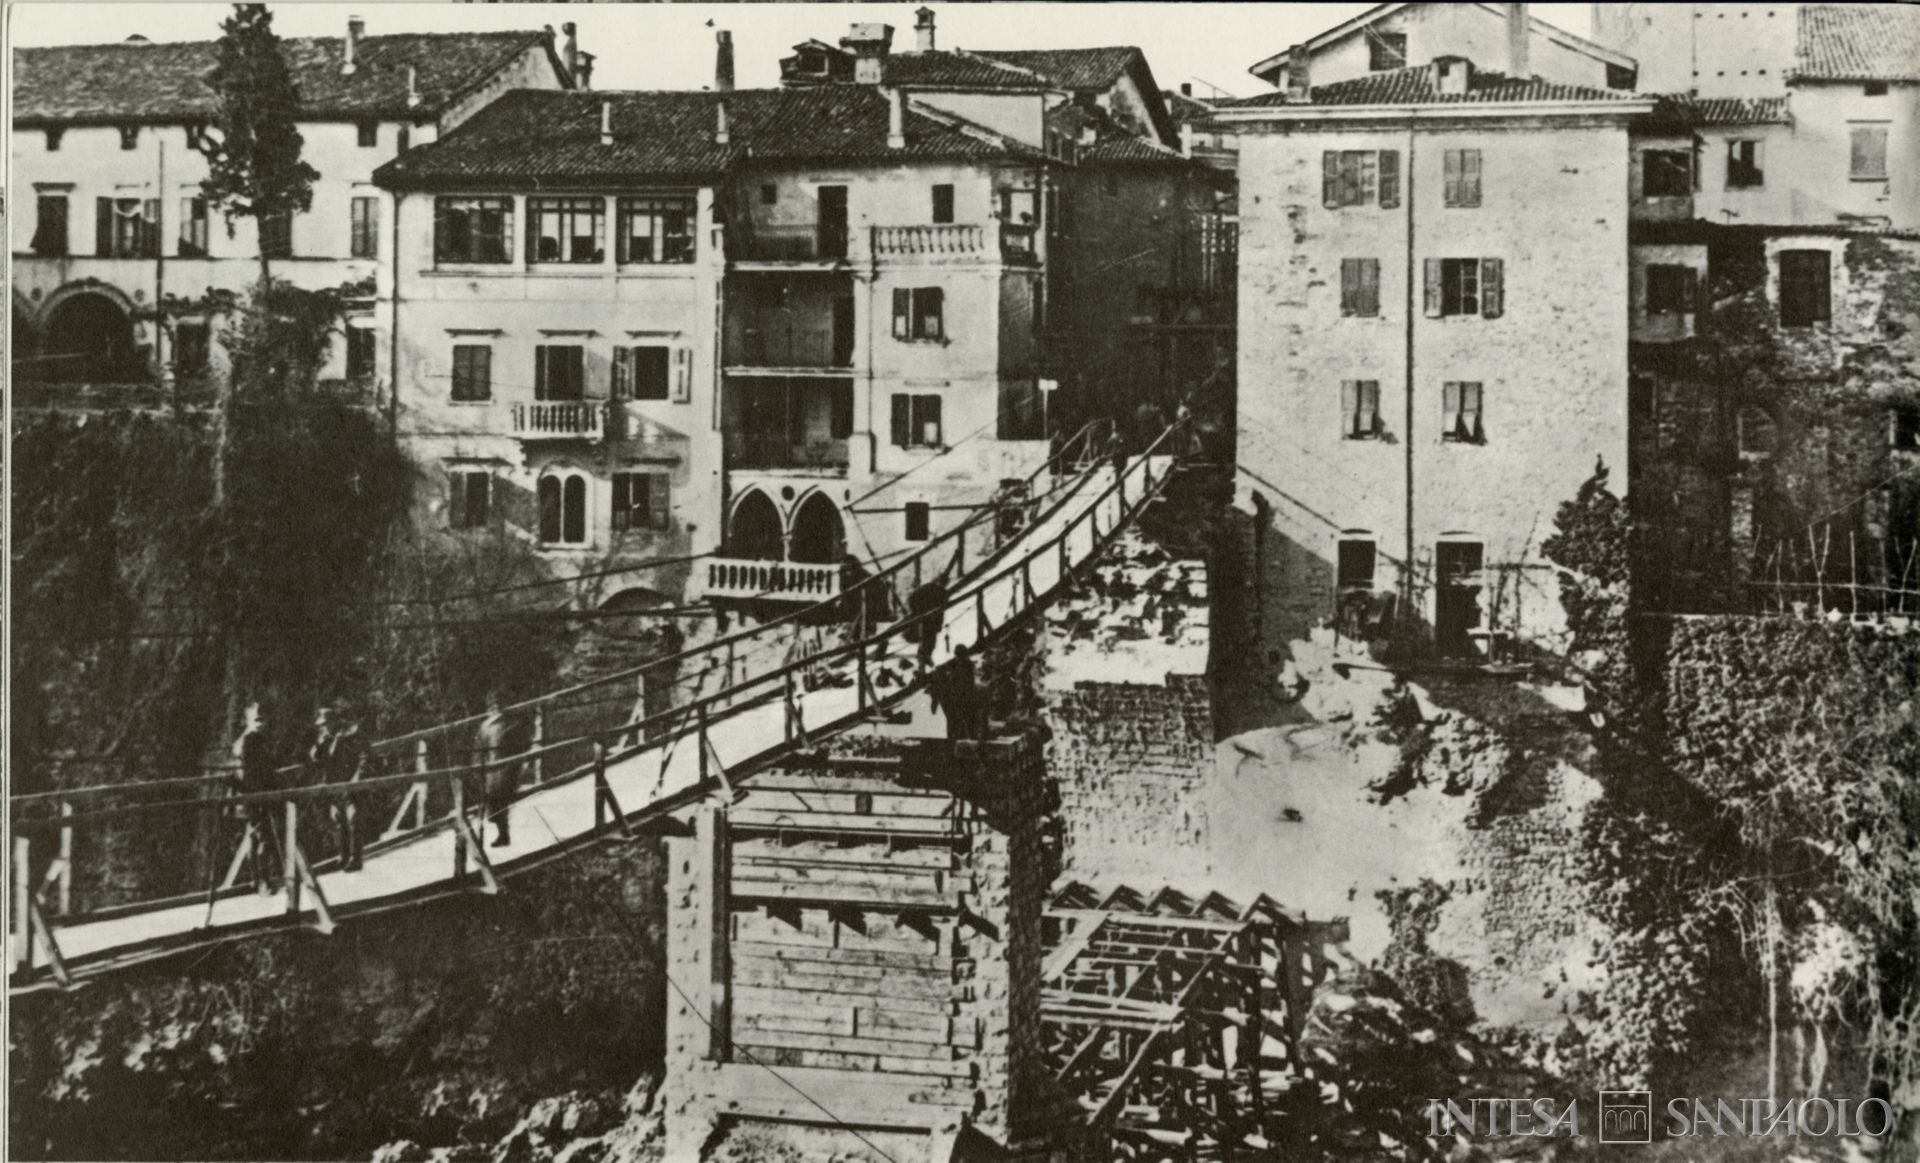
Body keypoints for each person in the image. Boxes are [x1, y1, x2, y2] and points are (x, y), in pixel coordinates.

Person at [231, 701, 283, 895]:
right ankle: (264, 882)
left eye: (262, 719)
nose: (261, 723)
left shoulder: (250, 740)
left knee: (254, 837)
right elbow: (254, 772)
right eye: (257, 720)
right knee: (264, 837)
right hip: (255, 795)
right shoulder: (251, 741)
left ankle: (256, 880)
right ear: (249, 721)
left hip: (250, 795)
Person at [314, 701, 369, 871]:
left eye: (325, 724)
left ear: (333, 722)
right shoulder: (327, 739)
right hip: (335, 786)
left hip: (350, 783)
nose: (323, 728)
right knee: (340, 821)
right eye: (321, 725)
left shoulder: (349, 735)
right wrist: (319, 742)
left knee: (353, 820)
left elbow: (364, 754)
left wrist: (357, 777)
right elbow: (316, 758)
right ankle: (344, 856)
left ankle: (356, 858)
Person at [473, 693, 519, 848]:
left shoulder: (504, 724)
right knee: (496, 802)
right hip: (495, 768)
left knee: (497, 800)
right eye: (493, 705)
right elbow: (479, 750)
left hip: (500, 769)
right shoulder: (487, 726)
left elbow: (479, 751)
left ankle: (503, 835)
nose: (495, 708)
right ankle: (503, 834)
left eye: (497, 705)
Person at [930, 644, 981, 740]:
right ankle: (967, 739)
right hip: (965, 698)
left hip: (959, 698)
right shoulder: (967, 664)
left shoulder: (963, 666)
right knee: (966, 722)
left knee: (955, 722)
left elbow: (943, 671)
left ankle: (956, 740)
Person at [907, 573, 951, 669]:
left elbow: (912, 597)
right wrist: (917, 611)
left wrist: (915, 611)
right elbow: (942, 609)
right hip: (928, 618)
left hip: (928, 618)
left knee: (928, 640)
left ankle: (925, 658)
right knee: (927, 640)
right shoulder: (938, 591)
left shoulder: (933, 588)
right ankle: (923, 661)